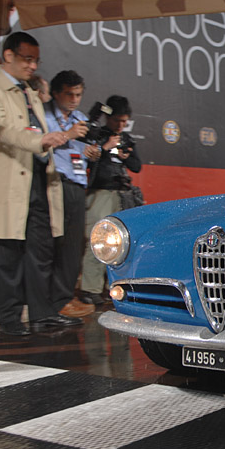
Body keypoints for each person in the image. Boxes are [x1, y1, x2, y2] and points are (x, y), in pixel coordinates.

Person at [0, 31, 84, 336]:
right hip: (5, 181)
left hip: (37, 181)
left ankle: (42, 313)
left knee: (41, 250)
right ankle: (9, 317)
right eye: (26, 59)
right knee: (8, 252)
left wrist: (48, 138)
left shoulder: (29, 92)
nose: (33, 66)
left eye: (36, 60)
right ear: (8, 56)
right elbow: (2, 130)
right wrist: (40, 140)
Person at [44, 70, 98, 318]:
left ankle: (65, 297)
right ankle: (50, 300)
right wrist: (68, 135)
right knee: (52, 243)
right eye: (69, 94)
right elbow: (39, 144)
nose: (74, 99)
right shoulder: (44, 115)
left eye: (78, 94)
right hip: (53, 182)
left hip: (77, 183)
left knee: (74, 245)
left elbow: (82, 149)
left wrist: (92, 152)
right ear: (56, 93)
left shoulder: (80, 118)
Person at [79, 95, 141, 305]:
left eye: (124, 122)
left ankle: (115, 287)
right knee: (97, 241)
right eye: (117, 121)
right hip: (100, 192)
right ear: (109, 118)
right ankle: (90, 288)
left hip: (122, 194)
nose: (120, 125)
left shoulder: (127, 139)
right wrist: (105, 146)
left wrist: (126, 155)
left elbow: (136, 166)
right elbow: (88, 159)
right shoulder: (97, 134)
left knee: (121, 243)